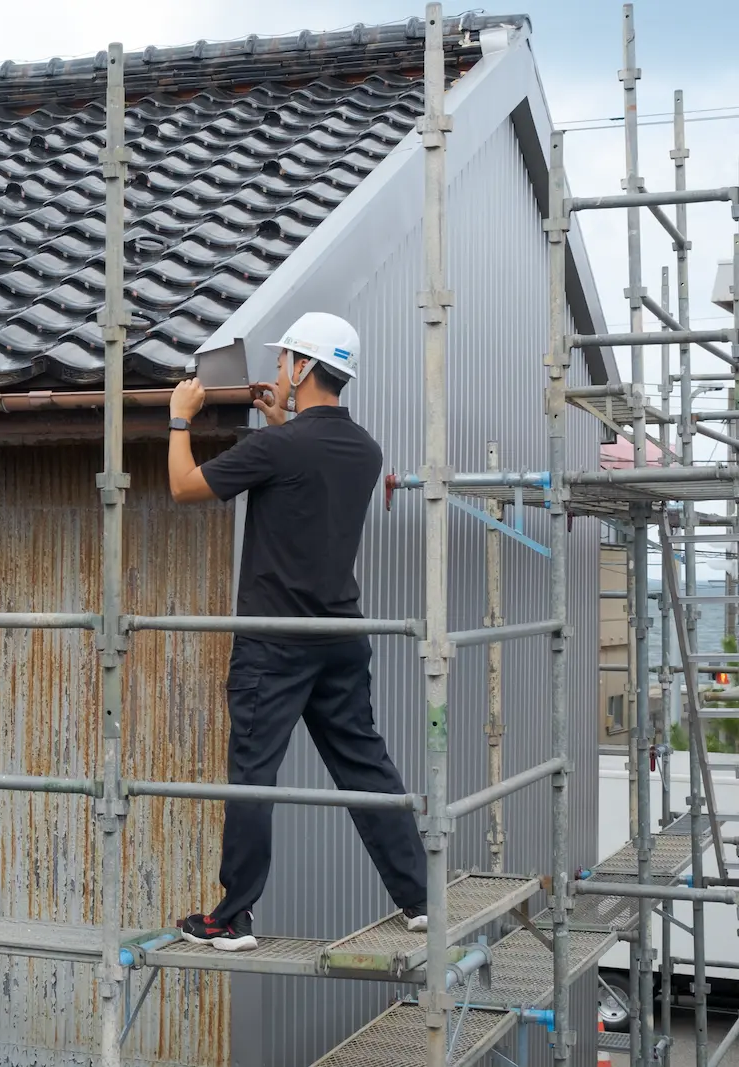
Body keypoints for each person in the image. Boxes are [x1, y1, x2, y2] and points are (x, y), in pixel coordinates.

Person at [163, 312, 427, 952]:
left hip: (275, 640)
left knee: (254, 774)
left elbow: (182, 487)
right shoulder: (365, 449)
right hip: (340, 635)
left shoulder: (276, 448)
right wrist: (283, 420)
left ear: (304, 368)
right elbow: (307, 472)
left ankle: (232, 918)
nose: (278, 370)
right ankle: (421, 898)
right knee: (365, 766)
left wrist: (179, 417)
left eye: (284, 361)